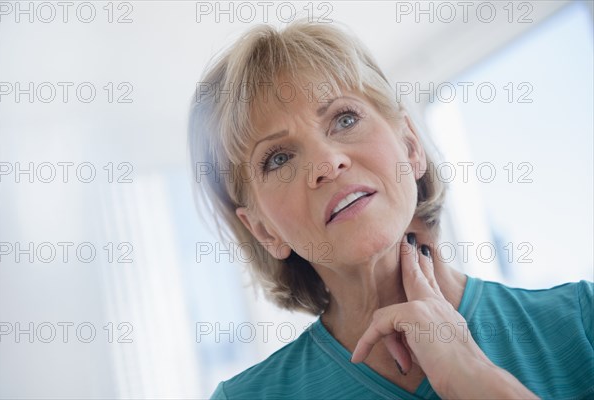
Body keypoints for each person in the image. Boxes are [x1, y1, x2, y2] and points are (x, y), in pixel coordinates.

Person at [188, 20, 594, 399]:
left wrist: (472, 379)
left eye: (344, 119)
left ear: (411, 145)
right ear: (264, 231)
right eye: (278, 158)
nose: (327, 163)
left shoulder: (583, 321)